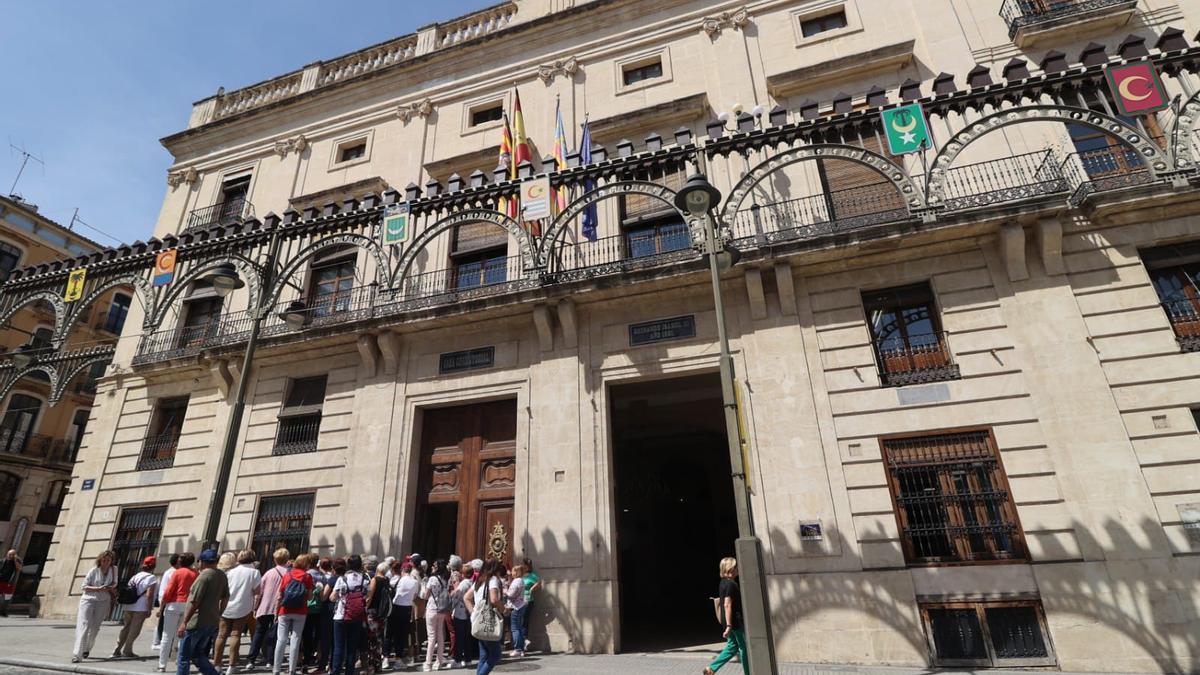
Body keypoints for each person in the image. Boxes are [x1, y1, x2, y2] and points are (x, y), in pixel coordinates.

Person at [175, 549, 229, 675]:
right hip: (211, 620)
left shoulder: (204, 577)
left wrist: (184, 622)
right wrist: (219, 614)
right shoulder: (221, 575)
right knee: (197, 653)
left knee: (184, 656)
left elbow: (194, 602)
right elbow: (226, 597)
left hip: (196, 621)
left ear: (202, 562)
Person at [216, 550, 261, 675]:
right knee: (235, 635)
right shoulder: (254, 572)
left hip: (226, 605)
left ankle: (217, 664)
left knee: (221, 635)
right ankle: (232, 665)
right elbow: (257, 591)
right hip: (243, 606)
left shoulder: (231, 571)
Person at [248, 548, 291, 671]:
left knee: (259, 632)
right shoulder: (289, 574)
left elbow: (259, 592)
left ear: (275, 559)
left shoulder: (269, 573)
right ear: (287, 559)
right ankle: (270, 660)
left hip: (265, 607)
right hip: (280, 608)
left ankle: (251, 659)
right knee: (275, 634)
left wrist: (255, 607)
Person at [703, 557, 746, 675]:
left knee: (732, 646)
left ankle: (711, 669)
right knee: (744, 648)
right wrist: (729, 626)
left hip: (728, 621)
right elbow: (727, 604)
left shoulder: (723, 582)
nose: (737, 568)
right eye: (735, 566)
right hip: (734, 622)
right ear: (730, 568)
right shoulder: (731, 584)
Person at [72, 550, 117, 662]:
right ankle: (77, 655)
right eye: (104, 560)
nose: (106, 562)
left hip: (103, 601)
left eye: (108, 560)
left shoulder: (114, 569)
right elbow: (84, 586)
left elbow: (115, 582)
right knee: (84, 625)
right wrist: (98, 588)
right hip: (88, 599)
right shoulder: (94, 570)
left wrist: (110, 587)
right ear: (100, 560)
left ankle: (86, 649)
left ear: (111, 561)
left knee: (95, 628)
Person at [274, 553, 315, 675]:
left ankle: (276, 669)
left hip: (285, 610)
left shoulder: (287, 575)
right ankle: (292, 669)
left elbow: (280, 595)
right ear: (306, 564)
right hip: (300, 611)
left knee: (281, 639)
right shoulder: (307, 576)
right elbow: (310, 597)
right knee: (295, 639)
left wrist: (276, 612)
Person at [158, 552, 197, 672]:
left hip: (173, 605)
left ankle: (162, 665)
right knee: (182, 636)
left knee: (167, 636)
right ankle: (179, 662)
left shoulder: (177, 573)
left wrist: (161, 606)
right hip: (187, 605)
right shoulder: (196, 574)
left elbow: (168, 591)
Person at [464, 559, 505, 675]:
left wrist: (473, 613)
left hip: (478, 620)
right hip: (488, 621)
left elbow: (466, 597)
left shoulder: (480, 580)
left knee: (484, 655)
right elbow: (494, 599)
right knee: (496, 655)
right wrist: (503, 608)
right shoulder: (493, 580)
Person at [113, 555, 158, 658]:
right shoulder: (151, 578)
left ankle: (117, 649)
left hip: (129, 605)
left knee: (126, 628)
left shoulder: (135, 576)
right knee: (135, 630)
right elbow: (150, 595)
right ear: (153, 566)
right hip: (141, 607)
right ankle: (127, 650)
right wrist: (149, 609)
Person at [330, 555, 368, 675]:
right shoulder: (364, 579)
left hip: (341, 615)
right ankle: (349, 672)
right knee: (352, 648)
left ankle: (335, 671)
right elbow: (366, 596)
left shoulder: (343, 578)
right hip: (356, 616)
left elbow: (332, 597)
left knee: (339, 646)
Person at [422, 559, 452, 672]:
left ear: (438, 567)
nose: (432, 567)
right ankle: (439, 662)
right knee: (440, 636)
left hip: (432, 608)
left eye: (434, 565)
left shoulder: (432, 579)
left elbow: (426, 595)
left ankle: (428, 663)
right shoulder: (445, 579)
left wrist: (423, 588)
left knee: (431, 637)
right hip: (442, 609)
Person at [302, 556, 330, 673]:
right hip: (319, 609)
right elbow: (324, 595)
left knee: (306, 634)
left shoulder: (306, 574)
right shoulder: (322, 576)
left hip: (306, 607)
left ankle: (305, 659)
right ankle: (314, 655)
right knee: (317, 634)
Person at [363, 561, 391, 674]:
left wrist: (365, 606)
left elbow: (370, 596)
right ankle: (378, 665)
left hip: (373, 612)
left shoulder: (375, 580)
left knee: (371, 640)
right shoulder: (386, 580)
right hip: (382, 613)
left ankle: (371, 667)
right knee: (379, 639)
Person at [450, 560, 479, 668]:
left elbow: (456, 597)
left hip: (460, 613)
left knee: (459, 638)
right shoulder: (473, 583)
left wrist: (451, 605)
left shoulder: (463, 584)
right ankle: (468, 659)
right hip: (469, 612)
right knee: (467, 637)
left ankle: (458, 660)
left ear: (463, 573)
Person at [388, 561, 417, 667]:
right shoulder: (415, 582)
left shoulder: (398, 580)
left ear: (403, 569)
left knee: (392, 633)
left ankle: (387, 657)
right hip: (407, 608)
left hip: (396, 607)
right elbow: (414, 596)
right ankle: (399, 658)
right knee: (402, 634)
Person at [152, 553, 181, 652]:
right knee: (163, 623)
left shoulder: (170, 571)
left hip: (166, 599)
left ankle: (157, 641)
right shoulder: (173, 572)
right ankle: (157, 642)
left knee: (162, 622)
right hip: (167, 600)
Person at [504, 564, 527, 659]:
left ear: (516, 572)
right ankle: (521, 649)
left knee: (515, 629)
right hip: (520, 605)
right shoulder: (521, 580)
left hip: (515, 607)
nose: (511, 572)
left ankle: (517, 649)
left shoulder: (516, 581)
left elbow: (511, 594)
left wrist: (504, 591)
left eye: (513, 571)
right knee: (519, 628)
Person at [520, 558, 540, 651]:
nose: (524, 566)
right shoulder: (521, 575)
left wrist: (532, 589)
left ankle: (524, 641)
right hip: (518, 601)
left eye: (526, 565)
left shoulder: (532, 575)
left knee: (524, 621)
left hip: (527, 600)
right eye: (524, 564)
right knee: (519, 621)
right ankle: (522, 641)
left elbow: (539, 582)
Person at [0, 549, 22, 617]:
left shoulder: (16, 563)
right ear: (7, 554)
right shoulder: (2, 561)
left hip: (9, 583)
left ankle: (3, 611)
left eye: (13, 555)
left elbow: (19, 568)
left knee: (7, 598)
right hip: (1, 581)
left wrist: (15, 560)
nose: (11, 556)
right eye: (10, 554)